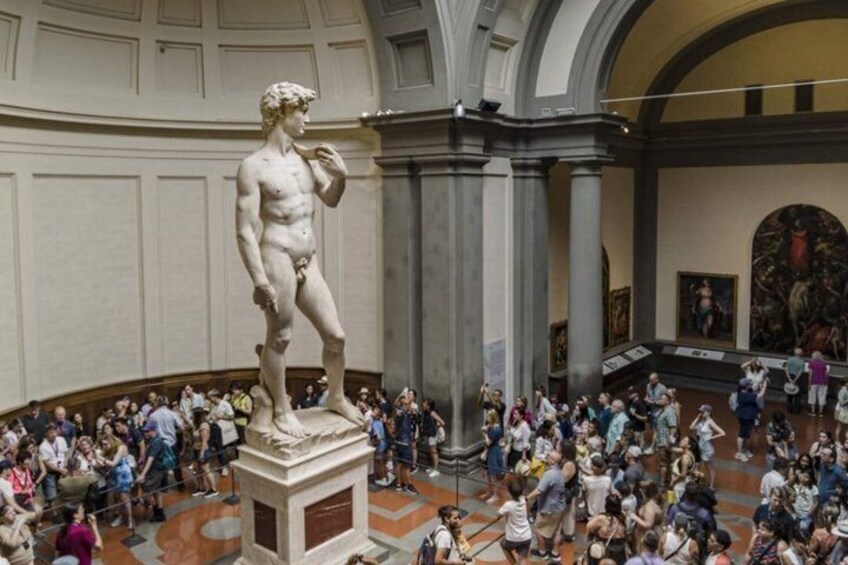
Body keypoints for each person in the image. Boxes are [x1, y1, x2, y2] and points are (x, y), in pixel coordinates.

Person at [236, 81, 364, 436]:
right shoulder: (253, 166)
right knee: (280, 337)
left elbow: (330, 198)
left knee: (336, 336)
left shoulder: (306, 161)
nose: (307, 119)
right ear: (280, 113)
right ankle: (281, 409)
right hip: (276, 256)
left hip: (310, 260)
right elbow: (245, 230)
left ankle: (335, 397)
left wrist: (342, 176)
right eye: (301, 112)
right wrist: (259, 280)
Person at [527, 452, 566, 564]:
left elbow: (539, 490)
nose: (546, 457)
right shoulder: (560, 472)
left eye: (549, 456)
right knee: (557, 531)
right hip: (560, 507)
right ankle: (555, 553)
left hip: (549, 508)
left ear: (553, 461)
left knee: (538, 529)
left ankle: (542, 552)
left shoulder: (549, 474)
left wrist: (527, 498)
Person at [95, 434, 133, 528]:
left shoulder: (121, 447)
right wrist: (96, 457)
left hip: (123, 474)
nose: (104, 446)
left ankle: (130, 520)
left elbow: (113, 463)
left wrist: (100, 457)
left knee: (125, 498)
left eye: (105, 444)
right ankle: (121, 517)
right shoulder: (108, 450)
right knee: (118, 499)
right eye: (102, 445)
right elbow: (102, 465)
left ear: (111, 441)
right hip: (113, 475)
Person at [135, 422, 167, 523]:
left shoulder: (156, 442)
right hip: (155, 470)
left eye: (147, 431)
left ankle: (157, 511)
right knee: (156, 491)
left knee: (147, 489)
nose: (145, 433)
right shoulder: (152, 441)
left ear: (153, 431)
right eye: (145, 431)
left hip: (156, 471)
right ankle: (158, 513)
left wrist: (143, 474)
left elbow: (151, 459)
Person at [585, 494, 628, 564]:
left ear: (606, 505)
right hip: (621, 549)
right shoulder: (623, 517)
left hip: (606, 549)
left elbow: (589, 527)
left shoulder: (602, 518)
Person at [689, 404, 725, 489]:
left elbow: (722, 432)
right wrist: (697, 417)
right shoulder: (701, 421)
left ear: (708, 412)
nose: (701, 413)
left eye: (703, 412)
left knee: (708, 467)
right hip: (699, 447)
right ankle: (697, 482)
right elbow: (691, 427)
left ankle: (711, 485)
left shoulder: (710, 422)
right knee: (697, 465)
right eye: (700, 411)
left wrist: (712, 437)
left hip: (707, 448)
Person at [498, 478, 532, 565]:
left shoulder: (508, 505)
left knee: (503, 545)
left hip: (513, 537)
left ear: (510, 493)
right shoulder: (524, 500)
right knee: (522, 558)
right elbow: (527, 511)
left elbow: (499, 514)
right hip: (526, 535)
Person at [38, 424, 69, 512]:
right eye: (51, 433)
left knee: (65, 492)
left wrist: (65, 467)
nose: (53, 434)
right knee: (52, 496)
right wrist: (60, 470)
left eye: (55, 432)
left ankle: (65, 512)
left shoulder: (61, 439)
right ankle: (55, 514)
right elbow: (47, 463)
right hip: (51, 473)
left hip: (64, 469)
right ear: (46, 434)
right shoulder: (42, 446)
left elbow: (66, 454)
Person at [734, 378, 765, 461]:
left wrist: (757, 386)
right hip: (744, 417)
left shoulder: (748, 391)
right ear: (746, 386)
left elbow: (754, 391)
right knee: (742, 435)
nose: (751, 385)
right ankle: (739, 453)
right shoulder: (744, 395)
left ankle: (744, 449)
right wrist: (764, 386)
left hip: (750, 416)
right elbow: (759, 395)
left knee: (747, 434)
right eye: (750, 384)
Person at [190, 408, 217, 498]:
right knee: (198, 470)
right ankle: (201, 488)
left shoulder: (203, 426)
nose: (192, 417)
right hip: (196, 449)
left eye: (193, 415)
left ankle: (213, 489)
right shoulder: (197, 425)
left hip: (203, 450)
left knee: (206, 470)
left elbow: (204, 441)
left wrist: (201, 454)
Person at [654, 392, 677, 487]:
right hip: (661, 440)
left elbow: (673, 427)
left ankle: (662, 482)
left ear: (667, 401)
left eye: (662, 399)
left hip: (664, 441)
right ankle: (668, 479)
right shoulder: (663, 410)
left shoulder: (669, 412)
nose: (660, 400)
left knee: (663, 462)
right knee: (667, 461)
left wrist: (669, 441)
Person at [482, 409, 504, 505]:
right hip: (490, 451)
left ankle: (495, 495)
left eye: (488, 416)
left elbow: (488, 442)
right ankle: (489, 491)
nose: (486, 417)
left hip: (494, 452)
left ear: (493, 417)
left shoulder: (496, 429)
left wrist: (485, 434)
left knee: (493, 475)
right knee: (488, 473)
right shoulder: (491, 426)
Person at [420, 399, 445, 478]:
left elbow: (442, 422)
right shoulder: (425, 412)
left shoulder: (432, 413)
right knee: (430, 451)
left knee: (433, 451)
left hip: (432, 434)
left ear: (428, 406)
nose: (423, 404)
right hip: (427, 434)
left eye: (425, 403)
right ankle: (433, 467)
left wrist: (436, 426)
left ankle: (436, 469)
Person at [808, 350, 830, 417]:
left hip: (814, 382)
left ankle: (813, 412)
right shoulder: (824, 363)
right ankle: (821, 413)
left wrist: (809, 383)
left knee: (812, 396)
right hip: (823, 382)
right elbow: (826, 374)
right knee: (822, 396)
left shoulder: (811, 363)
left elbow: (810, 374)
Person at [784, 348, 806, 414]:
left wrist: (789, 378)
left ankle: (789, 409)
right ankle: (796, 410)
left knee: (789, 394)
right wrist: (794, 380)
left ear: (794, 353)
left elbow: (786, 369)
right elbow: (800, 372)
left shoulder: (789, 359)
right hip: (797, 379)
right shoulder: (802, 362)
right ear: (801, 354)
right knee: (798, 395)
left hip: (789, 376)